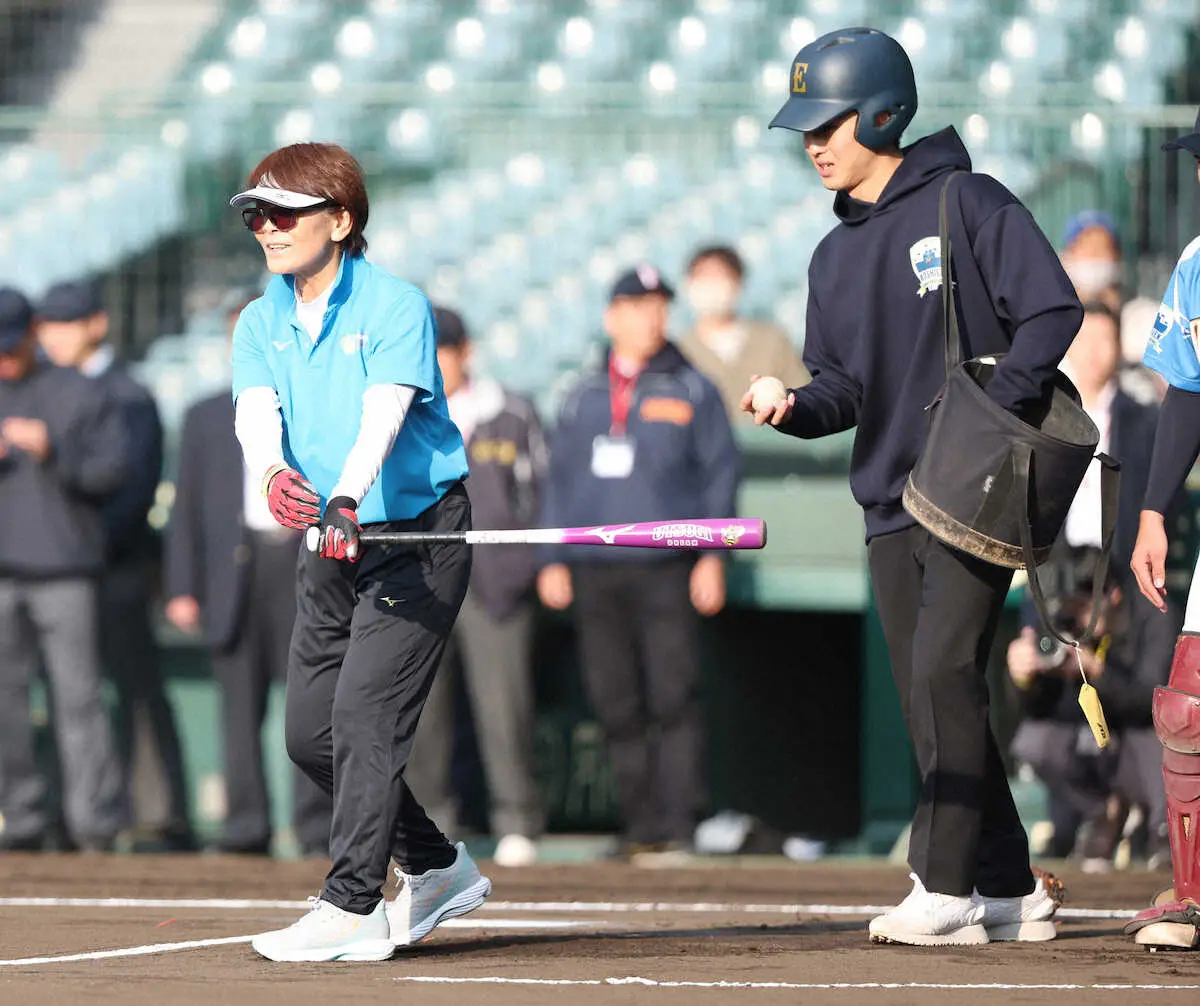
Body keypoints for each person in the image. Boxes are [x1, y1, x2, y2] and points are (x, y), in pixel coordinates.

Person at [746, 27, 1081, 946]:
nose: (815, 144)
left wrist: (987, 413)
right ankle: (1008, 886)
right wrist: (792, 406)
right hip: (890, 503)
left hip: (974, 492)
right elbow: (843, 390)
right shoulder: (831, 256)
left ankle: (944, 884)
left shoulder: (967, 200)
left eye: (830, 124)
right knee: (931, 695)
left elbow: (1052, 310)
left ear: (884, 113)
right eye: (807, 128)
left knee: (942, 675)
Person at [228, 142, 489, 963]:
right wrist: (272, 473)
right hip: (331, 542)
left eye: (285, 213)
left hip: (415, 536)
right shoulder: (259, 319)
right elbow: (255, 414)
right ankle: (436, 866)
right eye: (256, 215)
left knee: (364, 717)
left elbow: (386, 411)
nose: (268, 229)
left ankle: (353, 904)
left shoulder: (395, 304)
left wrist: (345, 496)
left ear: (340, 220)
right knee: (311, 735)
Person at [537, 263, 740, 858]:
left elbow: (720, 477)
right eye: (638, 306)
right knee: (614, 698)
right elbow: (558, 482)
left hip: (666, 567)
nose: (652, 318)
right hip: (596, 570)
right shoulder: (582, 394)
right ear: (612, 317)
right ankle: (639, 823)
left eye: (659, 307)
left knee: (674, 693)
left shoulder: (693, 388)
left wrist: (712, 556)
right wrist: (552, 558)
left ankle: (681, 822)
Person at [163, 293, 332, 857]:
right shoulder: (205, 415)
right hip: (233, 575)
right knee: (237, 709)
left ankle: (315, 828)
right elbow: (187, 508)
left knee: (310, 705)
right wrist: (182, 586)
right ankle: (244, 826)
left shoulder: (314, 404)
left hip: (302, 561)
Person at [35, 279, 194, 852]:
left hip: (114, 563)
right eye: (48, 325)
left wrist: (83, 542)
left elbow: (135, 486)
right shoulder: (40, 388)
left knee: (135, 688)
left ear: (96, 324)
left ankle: (158, 816)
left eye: (67, 323)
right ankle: (64, 811)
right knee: (65, 694)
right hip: (54, 569)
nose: (55, 335)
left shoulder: (127, 393)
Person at [405, 305, 546, 868]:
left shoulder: (510, 412)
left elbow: (540, 493)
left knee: (505, 708)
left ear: (466, 352)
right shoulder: (400, 411)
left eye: (445, 349)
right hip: (421, 581)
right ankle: (433, 826)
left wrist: (532, 564)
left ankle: (517, 819)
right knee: (423, 715)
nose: (437, 361)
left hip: (496, 581)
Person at [0, 287, 128, 851]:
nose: (5, 360)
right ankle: (21, 819)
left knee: (79, 701)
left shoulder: (80, 389)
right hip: (3, 576)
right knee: (4, 704)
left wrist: (53, 450)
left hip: (67, 571)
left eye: (11, 347)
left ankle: (92, 825)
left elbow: (113, 473)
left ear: (32, 334)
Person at [1126, 108, 1200, 950]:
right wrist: (1154, 510)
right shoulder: (1196, 261)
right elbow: (1188, 391)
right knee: (1189, 704)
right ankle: (1192, 894)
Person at [1007, 546, 1176, 867]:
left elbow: (1154, 701)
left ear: (1113, 595)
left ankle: (1163, 832)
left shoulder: (1155, 618)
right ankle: (1103, 812)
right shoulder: (1063, 626)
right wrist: (1023, 678)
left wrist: (1097, 670)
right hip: (1094, 748)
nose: (1079, 619)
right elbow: (1037, 712)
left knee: (1160, 734)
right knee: (1033, 741)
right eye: (1070, 609)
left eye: (1084, 608)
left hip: (1140, 749)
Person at [677, 245, 810, 423]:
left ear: (738, 282)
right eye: (703, 276)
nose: (711, 285)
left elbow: (803, 399)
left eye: (720, 276)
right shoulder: (678, 350)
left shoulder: (773, 341)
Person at [1059, 209, 1123, 312]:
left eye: (1102, 247)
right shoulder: (1054, 312)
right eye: (1085, 246)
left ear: (1116, 255)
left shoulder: (1142, 314)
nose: (1094, 254)